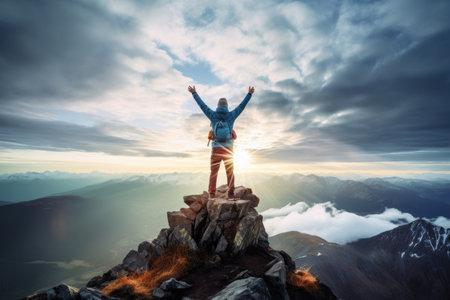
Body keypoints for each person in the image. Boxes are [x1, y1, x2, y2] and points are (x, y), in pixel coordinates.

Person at [188, 85, 255, 198]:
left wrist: (194, 93)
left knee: (214, 173)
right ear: (227, 106)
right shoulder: (231, 115)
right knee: (230, 172)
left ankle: (212, 194)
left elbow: (202, 105)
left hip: (216, 148)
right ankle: (230, 192)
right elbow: (241, 106)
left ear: (218, 106)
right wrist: (249, 94)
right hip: (228, 149)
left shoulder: (212, 115)